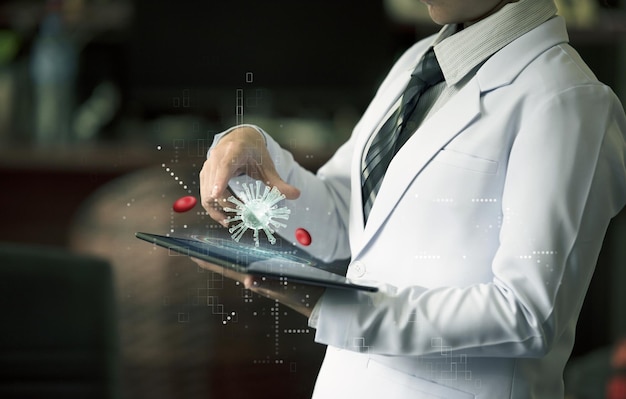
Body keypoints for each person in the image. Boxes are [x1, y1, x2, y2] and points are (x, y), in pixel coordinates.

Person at [196, 0, 626, 397]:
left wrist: (332, 306)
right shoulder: (420, 64)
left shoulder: (569, 100)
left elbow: (528, 315)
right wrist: (255, 161)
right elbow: (346, 216)